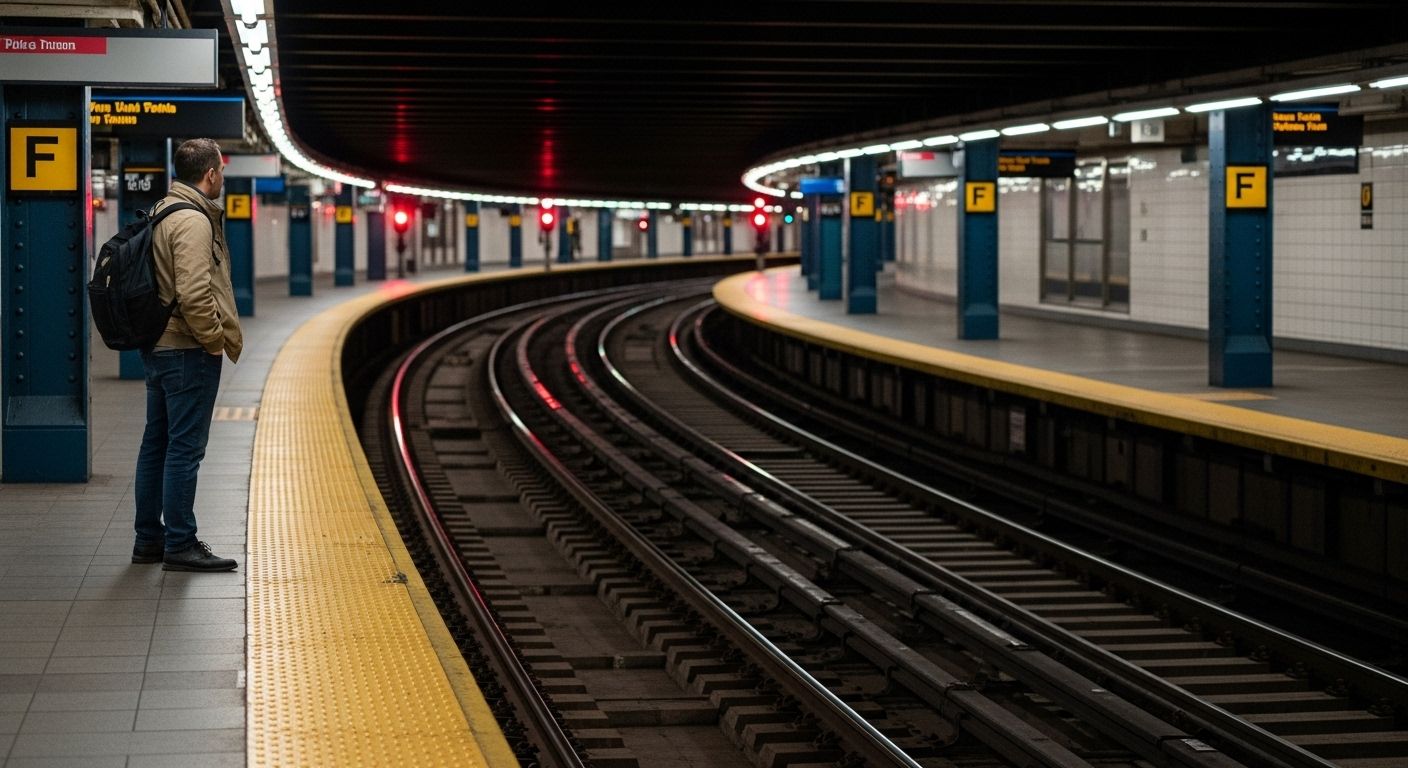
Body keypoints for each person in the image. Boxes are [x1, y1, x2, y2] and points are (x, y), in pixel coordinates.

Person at [131, 138, 243, 572]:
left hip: (159, 346)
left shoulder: (162, 210)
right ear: (210, 173)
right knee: (184, 449)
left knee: (155, 444)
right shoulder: (194, 221)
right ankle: (180, 542)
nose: (222, 178)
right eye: (221, 172)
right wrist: (213, 340)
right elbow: (195, 292)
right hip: (186, 349)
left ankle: (148, 540)